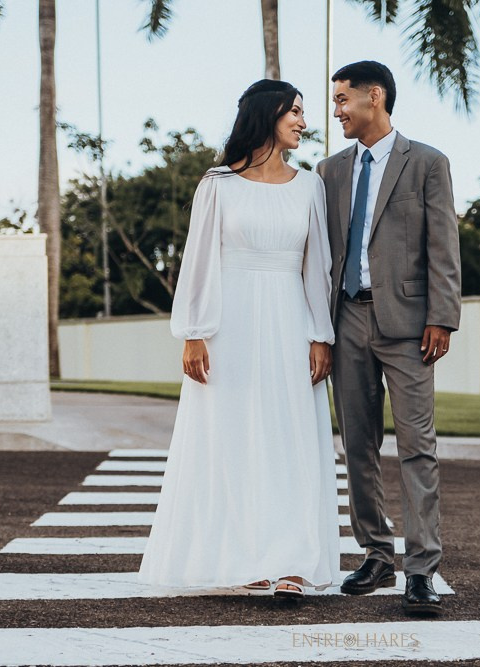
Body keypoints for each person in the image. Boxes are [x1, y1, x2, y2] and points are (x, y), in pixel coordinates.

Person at [137, 79, 340, 599]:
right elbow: (199, 262)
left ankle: (294, 561)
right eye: (293, 111)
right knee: (232, 441)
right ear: (267, 114)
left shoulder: (309, 185)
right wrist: (194, 333)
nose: (303, 120)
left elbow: (318, 266)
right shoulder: (217, 184)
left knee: (291, 439)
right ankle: (245, 557)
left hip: (291, 321)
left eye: (302, 112)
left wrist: (321, 334)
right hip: (231, 327)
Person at [316, 61, 462, 616]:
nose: (337, 111)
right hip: (346, 319)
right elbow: (322, 254)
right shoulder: (329, 171)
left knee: (416, 447)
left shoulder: (426, 162)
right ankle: (376, 553)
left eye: (342, 100)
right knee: (357, 444)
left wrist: (441, 317)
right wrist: (319, 330)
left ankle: (421, 569)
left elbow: (443, 247)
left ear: (374, 96)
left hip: (407, 325)